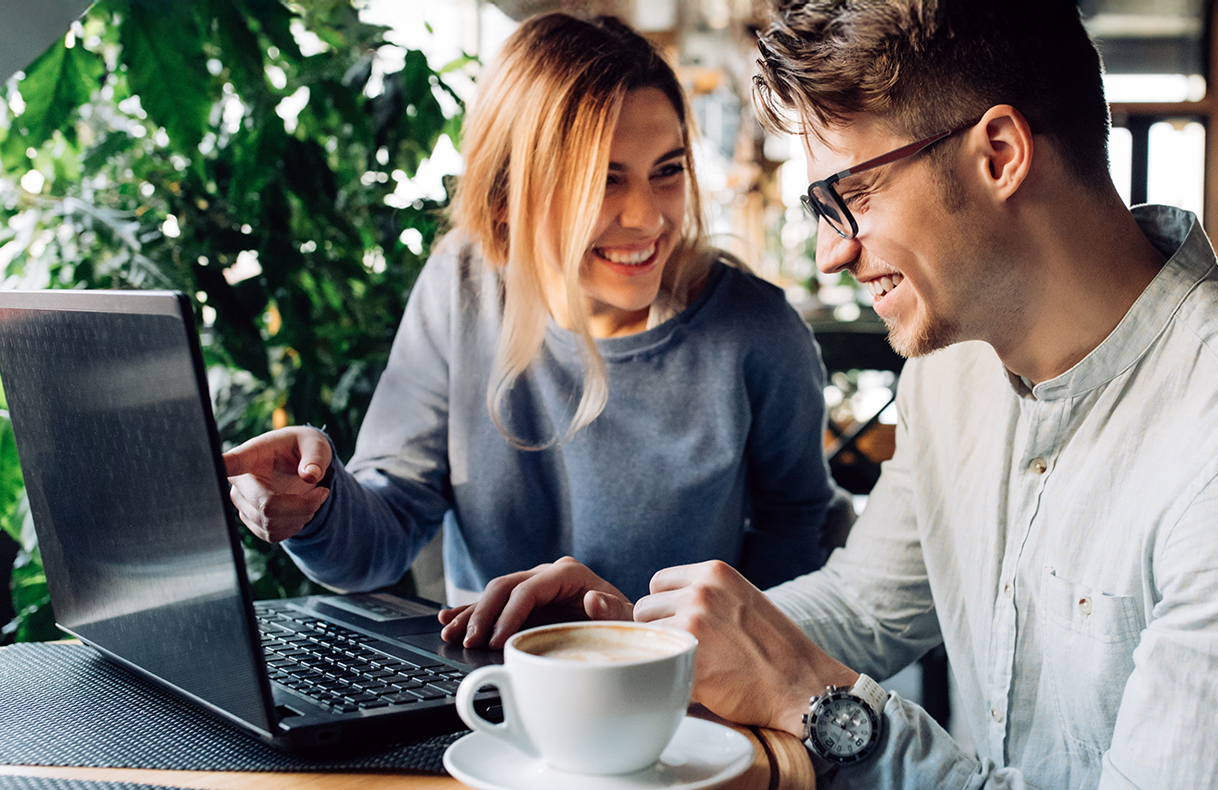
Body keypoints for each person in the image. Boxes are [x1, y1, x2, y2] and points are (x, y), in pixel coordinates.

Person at [438, 0, 1218, 787]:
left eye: (849, 196)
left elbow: (825, 676)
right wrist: (630, 646)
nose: (829, 251)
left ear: (998, 154)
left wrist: (820, 705)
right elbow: (867, 607)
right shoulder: (952, 371)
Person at [221, 13, 840, 604]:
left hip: (678, 697)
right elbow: (381, 535)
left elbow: (796, 530)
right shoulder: (462, 285)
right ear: (504, 200)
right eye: (605, 179)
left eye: (668, 170)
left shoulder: (757, 331)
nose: (649, 218)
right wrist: (317, 502)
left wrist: (709, 660)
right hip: (492, 692)